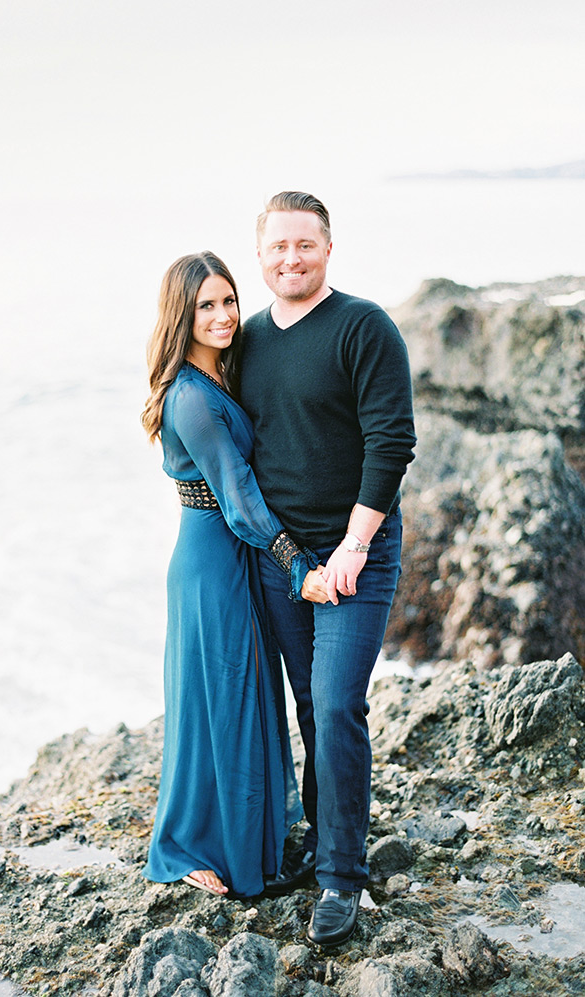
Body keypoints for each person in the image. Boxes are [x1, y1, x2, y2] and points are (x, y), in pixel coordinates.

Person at [239, 192, 417, 943]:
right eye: (278, 246)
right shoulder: (246, 340)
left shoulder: (363, 327)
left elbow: (392, 442)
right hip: (285, 563)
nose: (291, 258)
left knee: (338, 704)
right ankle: (322, 841)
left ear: (328, 248)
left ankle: (343, 875)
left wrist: (352, 546)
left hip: (356, 557)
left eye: (304, 245)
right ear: (261, 253)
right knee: (309, 708)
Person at [141, 251, 328, 899]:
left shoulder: (218, 374)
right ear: (181, 317)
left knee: (245, 698)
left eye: (228, 301)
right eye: (206, 307)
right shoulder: (190, 399)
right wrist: (296, 562)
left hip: (232, 556)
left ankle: (252, 838)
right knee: (215, 703)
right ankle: (185, 847)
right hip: (211, 562)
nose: (223, 317)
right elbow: (238, 495)